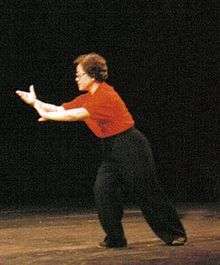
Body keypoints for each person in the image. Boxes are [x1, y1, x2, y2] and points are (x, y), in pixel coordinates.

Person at [16, 52, 187, 248]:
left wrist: (45, 113)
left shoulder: (105, 96)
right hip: (111, 148)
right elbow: (60, 110)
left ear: (92, 75)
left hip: (130, 145)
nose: (76, 78)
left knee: (146, 191)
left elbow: (73, 116)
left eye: (79, 74)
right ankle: (115, 238)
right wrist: (35, 103)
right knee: (103, 191)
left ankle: (174, 233)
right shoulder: (89, 97)